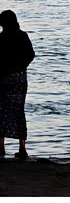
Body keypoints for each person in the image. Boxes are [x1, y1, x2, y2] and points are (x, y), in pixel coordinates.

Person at [0, 10, 35, 159]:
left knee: (1, 111)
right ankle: (22, 148)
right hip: (20, 78)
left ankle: (1, 147)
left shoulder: (1, 38)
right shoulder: (23, 35)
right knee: (19, 111)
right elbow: (31, 55)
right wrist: (21, 66)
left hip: (3, 78)